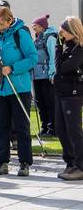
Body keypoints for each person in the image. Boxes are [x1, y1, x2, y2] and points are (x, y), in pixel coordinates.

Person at [0, 7, 37, 177]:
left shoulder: (20, 33)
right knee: (1, 126)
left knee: (21, 126)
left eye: (2, 24)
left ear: (10, 20)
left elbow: (33, 58)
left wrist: (13, 68)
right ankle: (2, 161)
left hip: (18, 87)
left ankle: (24, 162)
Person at [54, 16, 83, 180]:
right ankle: (70, 162)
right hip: (61, 93)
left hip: (73, 94)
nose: (61, 35)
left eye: (63, 32)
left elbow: (62, 68)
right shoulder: (66, 46)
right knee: (61, 130)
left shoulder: (79, 48)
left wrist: (58, 49)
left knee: (74, 130)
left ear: (72, 31)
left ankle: (80, 165)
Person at [31, 14, 57, 137]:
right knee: (40, 102)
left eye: (35, 26)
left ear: (42, 26)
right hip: (37, 76)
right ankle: (44, 126)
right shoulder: (38, 38)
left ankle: (53, 128)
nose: (33, 28)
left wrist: (52, 72)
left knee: (49, 102)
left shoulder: (50, 38)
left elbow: (53, 57)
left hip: (46, 76)